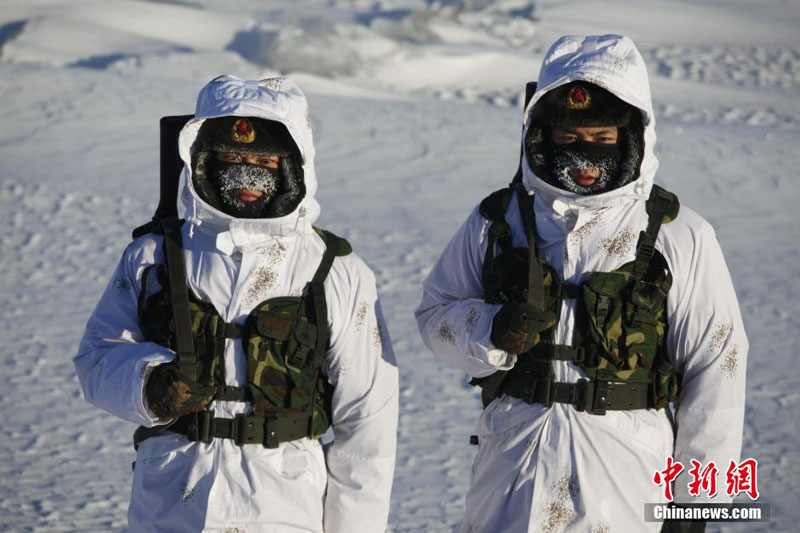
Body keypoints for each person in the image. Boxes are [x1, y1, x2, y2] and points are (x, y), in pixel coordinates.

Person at [415, 34, 747, 532]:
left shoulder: (679, 234)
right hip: (512, 467)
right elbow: (435, 313)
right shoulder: (498, 220)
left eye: (603, 138)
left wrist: (697, 505)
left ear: (633, 133)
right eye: (569, 140)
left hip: (629, 475)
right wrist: (488, 330)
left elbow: (718, 364)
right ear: (540, 135)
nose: (585, 156)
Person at [75, 75, 398, 532]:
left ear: (294, 162)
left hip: (283, 508)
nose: (248, 173)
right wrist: (146, 384)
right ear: (202, 157)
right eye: (232, 157)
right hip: (170, 503)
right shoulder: (154, 256)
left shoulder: (335, 271)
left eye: (264, 159)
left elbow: (367, 425)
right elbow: (96, 358)